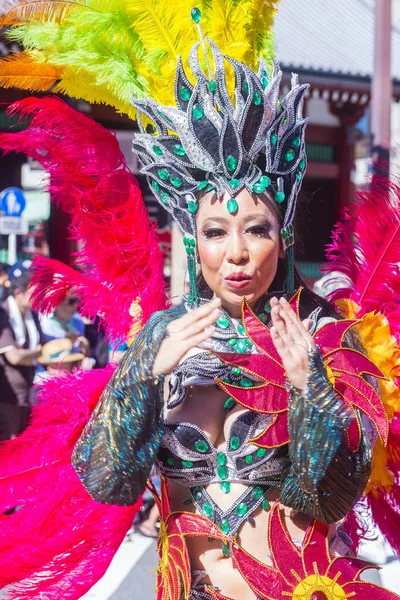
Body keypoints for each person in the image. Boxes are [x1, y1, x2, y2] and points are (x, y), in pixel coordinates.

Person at [0, 3, 400, 600]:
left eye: (256, 230)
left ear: (283, 234)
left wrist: (309, 388)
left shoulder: (326, 338)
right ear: (193, 237)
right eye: (216, 232)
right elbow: (108, 481)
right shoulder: (163, 336)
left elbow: (330, 495)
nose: (236, 253)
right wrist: (141, 375)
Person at [0, 272, 44, 440]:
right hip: (7, 397)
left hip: (28, 392)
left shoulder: (33, 315)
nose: (38, 297)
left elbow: (45, 349)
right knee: (7, 447)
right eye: (34, 292)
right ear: (18, 293)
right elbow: (14, 357)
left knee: (23, 446)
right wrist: (38, 353)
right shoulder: (3, 313)